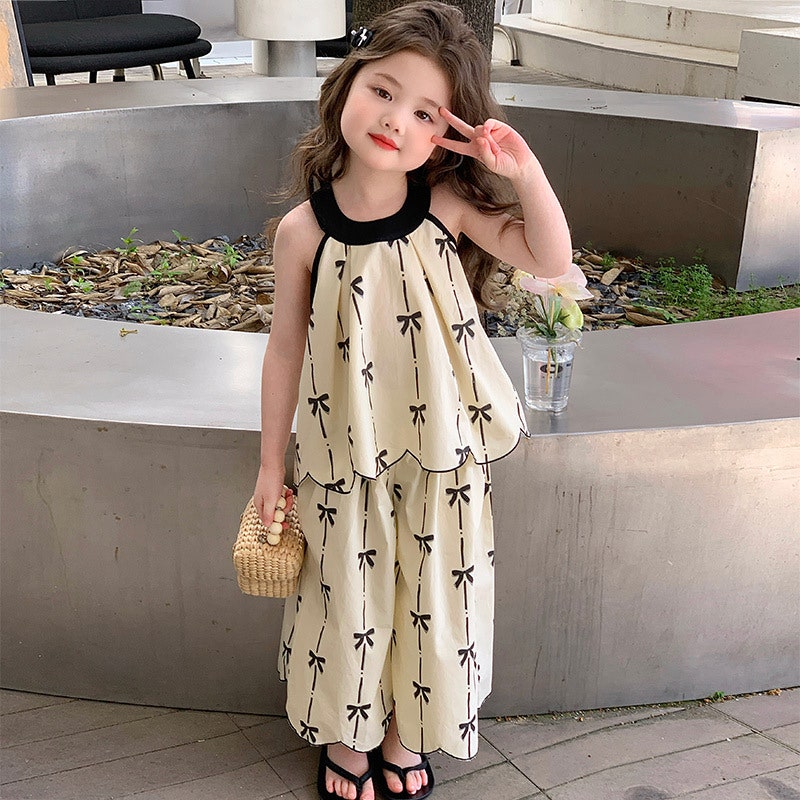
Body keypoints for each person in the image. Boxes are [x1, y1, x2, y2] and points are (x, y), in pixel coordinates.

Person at [253, 3, 573, 798]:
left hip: (442, 457)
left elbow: (548, 257)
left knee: (435, 593)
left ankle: (404, 735)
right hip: (343, 456)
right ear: (348, 85)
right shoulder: (302, 232)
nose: (397, 120)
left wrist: (522, 170)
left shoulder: (446, 208)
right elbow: (284, 348)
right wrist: (269, 468)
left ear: (447, 133)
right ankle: (348, 736)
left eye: (427, 112)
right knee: (346, 597)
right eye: (384, 91)